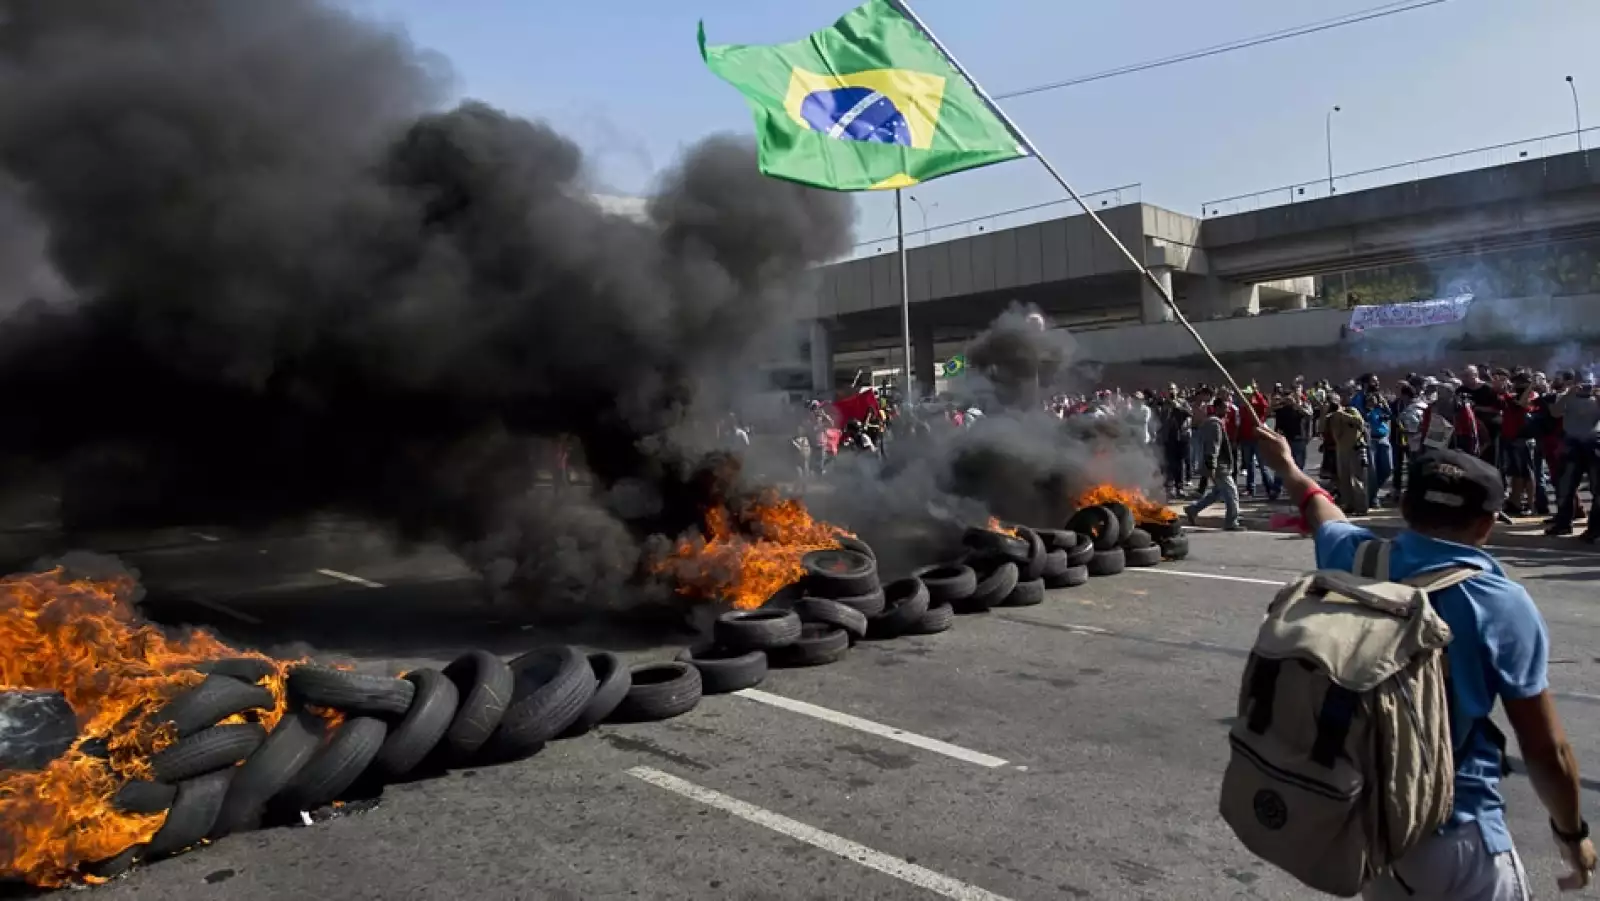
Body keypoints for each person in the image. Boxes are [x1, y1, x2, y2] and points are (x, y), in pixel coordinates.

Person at [1255, 426, 1596, 900]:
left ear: (1406, 508)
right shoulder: (1499, 602)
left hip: (1367, 824)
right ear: (1487, 524)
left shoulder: (1355, 557)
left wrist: (1288, 466)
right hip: (1456, 833)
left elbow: (1320, 511)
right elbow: (1547, 750)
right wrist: (1572, 835)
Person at [1548, 372, 1600, 540]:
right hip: (1571, 445)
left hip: (1594, 444)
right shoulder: (1567, 396)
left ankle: (1595, 529)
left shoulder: (1597, 398)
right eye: (1582, 383)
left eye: (1588, 384)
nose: (1585, 387)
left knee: (1597, 490)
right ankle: (1563, 524)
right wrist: (1568, 394)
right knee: (1565, 487)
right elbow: (1555, 413)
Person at [1183, 398, 1243, 530]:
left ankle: (1193, 510)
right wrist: (1212, 465)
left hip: (1219, 465)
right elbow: (1213, 447)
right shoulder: (1214, 424)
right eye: (1225, 407)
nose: (1228, 410)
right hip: (1219, 466)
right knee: (1232, 492)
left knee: (1217, 493)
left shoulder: (1216, 423)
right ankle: (1231, 522)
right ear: (1217, 408)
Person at [1328, 390, 1370, 516]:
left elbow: (1360, 423)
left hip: (1354, 448)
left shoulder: (1351, 410)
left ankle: (1361, 507)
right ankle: (1349, 504)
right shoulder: (1331, 416)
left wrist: (1343, 414)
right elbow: (1323, 428)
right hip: (1341, 449)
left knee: (1357, 479)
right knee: (1344, 479)